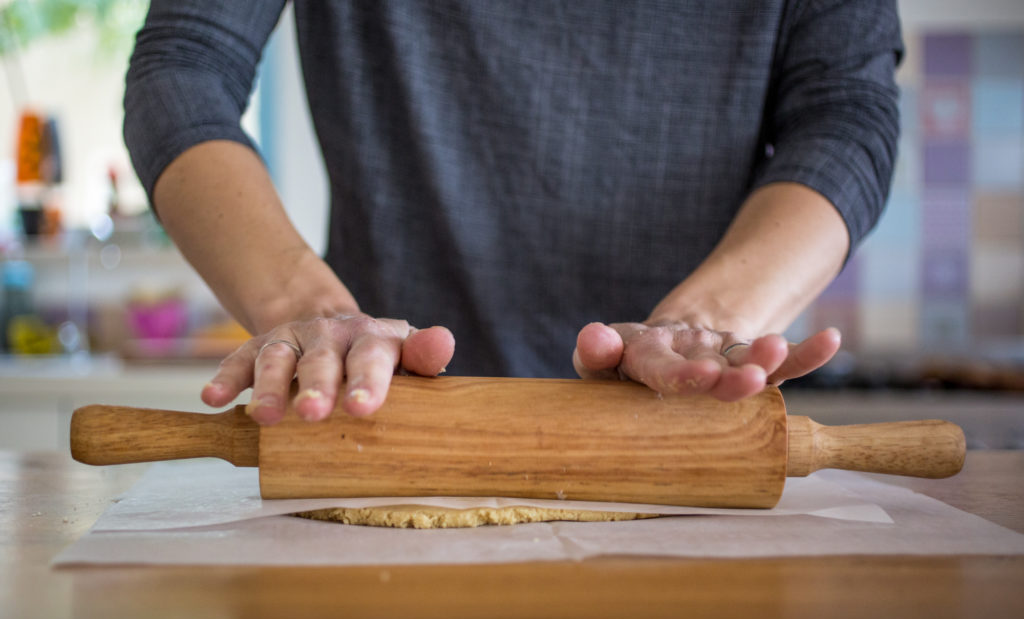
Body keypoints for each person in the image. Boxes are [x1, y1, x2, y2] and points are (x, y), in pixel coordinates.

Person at [123, 1, 902, 425]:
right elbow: (185, 65)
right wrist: (309, 314)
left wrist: (703, 325)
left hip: (679, 431)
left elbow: (845, 116)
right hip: (382, 421)